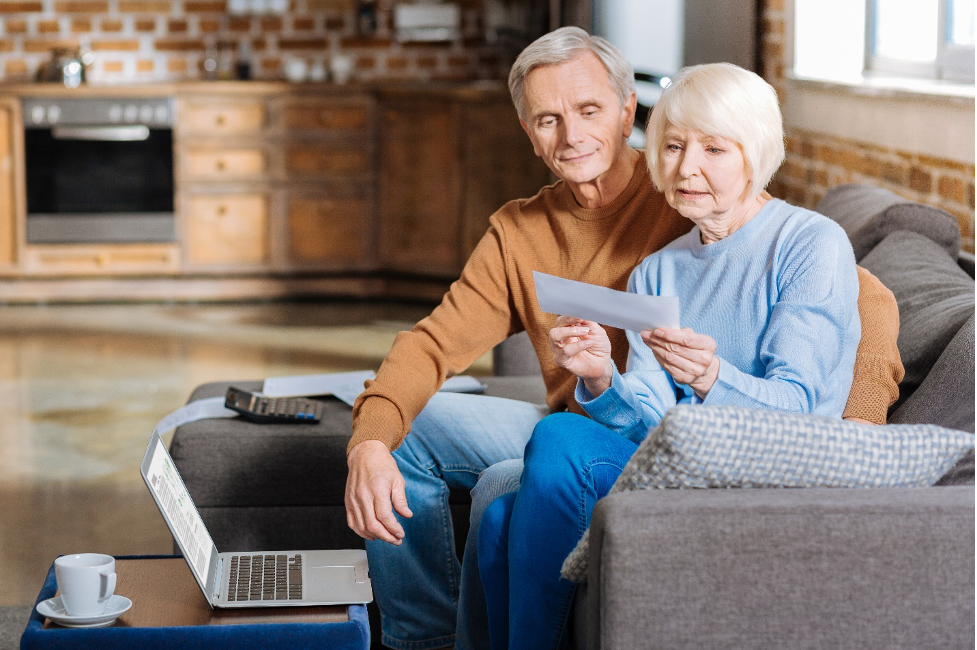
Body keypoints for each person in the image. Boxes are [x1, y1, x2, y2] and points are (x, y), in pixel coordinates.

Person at [344, 28, 902, 650]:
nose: (573, 135)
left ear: (624, 111)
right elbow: (433, 343)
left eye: (588, 111)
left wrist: (855, 443)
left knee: (507, 486)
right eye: (548, 119)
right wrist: (368, 441)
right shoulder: (557, 238)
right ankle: (419, 641)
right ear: (528, 132)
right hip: (610, 420)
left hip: (672, 439)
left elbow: (869, 301)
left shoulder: (691, 201)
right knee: (401, 430)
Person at [477, 61, 865, 650]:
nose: (687, 168)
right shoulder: (660, 270)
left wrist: (712, 377)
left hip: (760, 474)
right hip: (677, 464)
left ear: (754, 153)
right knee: (499, 520)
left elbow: (804, 411)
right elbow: (651, 420)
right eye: (675, 146)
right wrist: (603, 378)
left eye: (714, 149)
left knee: (559, 438)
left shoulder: (810, 244)